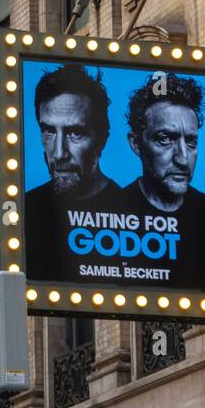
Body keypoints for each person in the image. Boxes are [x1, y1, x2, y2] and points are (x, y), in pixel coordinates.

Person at [119, 71, 205, 288]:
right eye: (165, 139)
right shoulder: (111, 210)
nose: (183, 159)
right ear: (136, 144)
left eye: (191, 142)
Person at [23, 65, 124, 282]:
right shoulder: (23, 211)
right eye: (49, 131)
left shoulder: (131, 209)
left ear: (101, 139)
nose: (59, 153)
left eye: (75, 133)